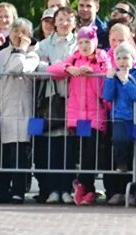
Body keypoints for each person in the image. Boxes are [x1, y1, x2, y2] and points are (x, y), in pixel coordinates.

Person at [47, 26, 114, 206]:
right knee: (81, 153)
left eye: (88, 42)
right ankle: (84, 187)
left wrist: (94, 73)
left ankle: (87, 186)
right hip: (77, 116)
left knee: (91, 154)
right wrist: (69, 69)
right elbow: (52, 70)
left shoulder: (102, 58)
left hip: (96, 115)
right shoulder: (75, 58)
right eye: (81, 42)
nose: (84, 46)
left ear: (95, 42)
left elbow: (106, 81)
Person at [0, 19, 40, 203]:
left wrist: (21, 50)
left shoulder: (33, 55)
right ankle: (1, 189)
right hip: (4, 108)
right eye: (16, 30)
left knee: (19, 153)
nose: (18, 35)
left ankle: (18, 190)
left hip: (21, 109)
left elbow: (16, 68)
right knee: (3, 153)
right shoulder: (1, 54)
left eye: (23, 32)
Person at [34, 6, 79, 203]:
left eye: (69, 19)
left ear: (74, 23)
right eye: (60, 19)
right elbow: (40, 66)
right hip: (52, 98)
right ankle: (52, 189)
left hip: (74, 98)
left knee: (69, 147)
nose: (64, 23)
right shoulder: (44, 45)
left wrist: (64, 69)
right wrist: (64, 68)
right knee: (52, 146)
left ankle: (67, 188)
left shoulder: (79, 44)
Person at [101, 42, 136, 205]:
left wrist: (126, 81)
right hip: (120, 116)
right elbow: (107, 96)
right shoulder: (114, 74)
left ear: (133, 59)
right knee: (119, 140)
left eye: (126, 57)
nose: (122, 61)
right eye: (118, 57)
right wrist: (109, 79)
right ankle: (122, 163)